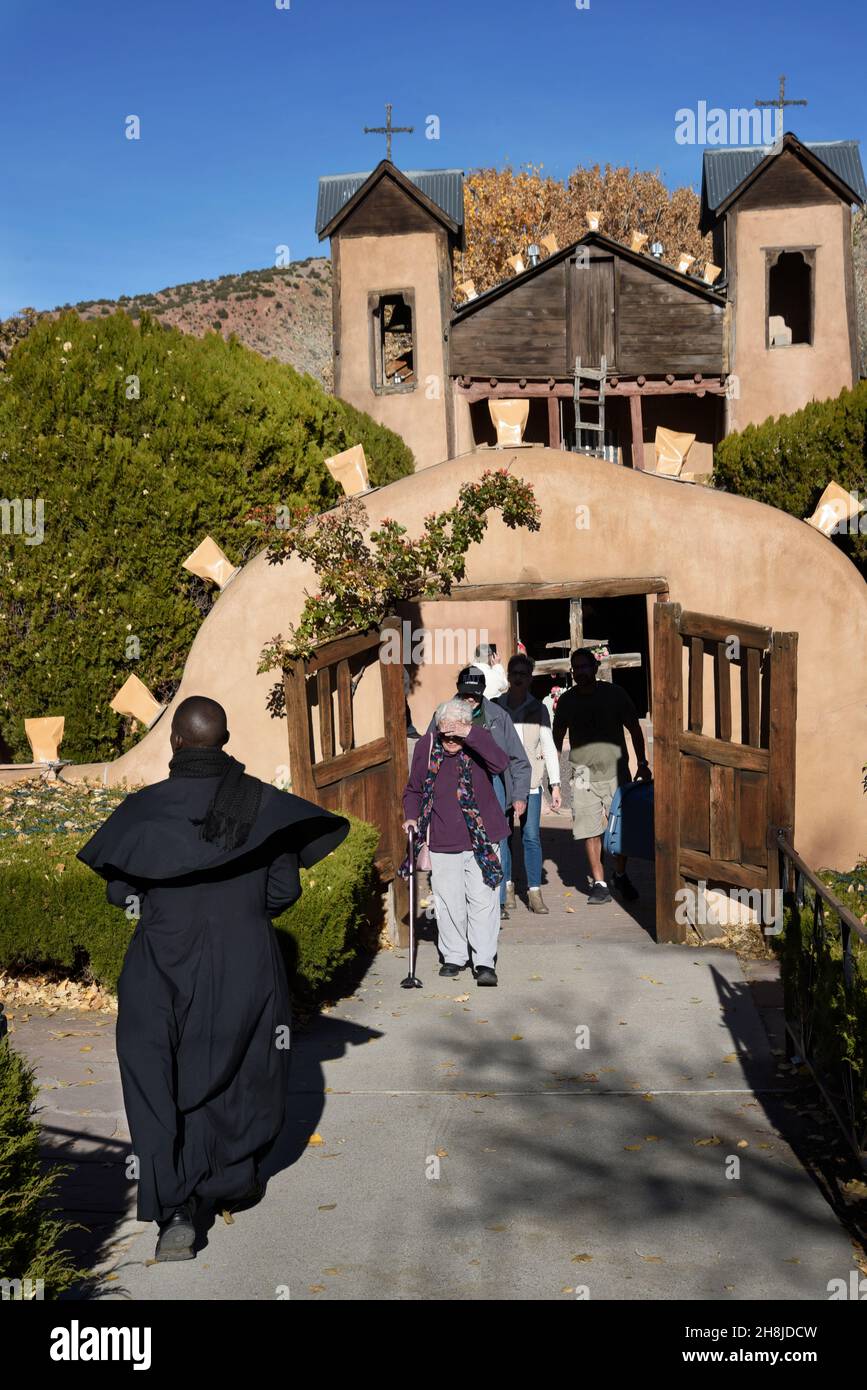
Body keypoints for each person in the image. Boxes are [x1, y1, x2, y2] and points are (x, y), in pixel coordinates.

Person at [77, 696, 349, 1262]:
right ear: (223, 741)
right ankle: (231, 1178)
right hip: (245, 961)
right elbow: (283, 891)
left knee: (156, 1078)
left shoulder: (144, 810)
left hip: (160, 964)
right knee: (243, 1067)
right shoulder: (259, 806)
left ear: (175, 741)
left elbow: (120, 892)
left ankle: (174, 1212)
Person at [402, 698, 509, 986]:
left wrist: (469, 734)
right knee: (448, 903)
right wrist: (411, 818)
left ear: (467, 726)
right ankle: (453, 956)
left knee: (483, 901)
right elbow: (413, 789)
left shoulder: (478, 741)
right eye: (445, 731)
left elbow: (500, 764)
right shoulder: (427, 745)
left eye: (455, 731)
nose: (450, 738)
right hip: (442, 837)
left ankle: (484, 962)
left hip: (483, 839)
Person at [426, 666, 531, 920]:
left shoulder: (498, 716)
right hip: (453, 782)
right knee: (460, 838)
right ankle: (464, 895)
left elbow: (517, 758)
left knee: (496, 838)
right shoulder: (444, 712)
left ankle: (499, 897)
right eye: (465, 694)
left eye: (475, 694)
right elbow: (427, 749)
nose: (470, 699)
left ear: (483, 692)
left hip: (492, 781)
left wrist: (518, 794)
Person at [552, 649, 651, 904]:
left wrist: (642, 762)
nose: (581, 672)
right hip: (583, 772)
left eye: (585, 667)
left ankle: (619, 873)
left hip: (616, 769)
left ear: (595, 669)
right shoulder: (567, 701)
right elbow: (556, 734)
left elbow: (634, 728)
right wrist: (555, 774)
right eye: (576, 668)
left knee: (621, 827)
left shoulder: (614, 694)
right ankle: (600, 882)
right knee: (589, 828)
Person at [495, 653, 561, 913]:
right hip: (502, 781)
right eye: (515, 673)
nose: (519, 678)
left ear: (530, 678)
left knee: (531, 836)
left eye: (524, 673)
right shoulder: (497, 707)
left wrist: (555, 784)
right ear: (508, 677)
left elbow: (548, 745)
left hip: (531, 783)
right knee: (505, 836)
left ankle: (534, 892)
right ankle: (508, 887)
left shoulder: (539, 709)